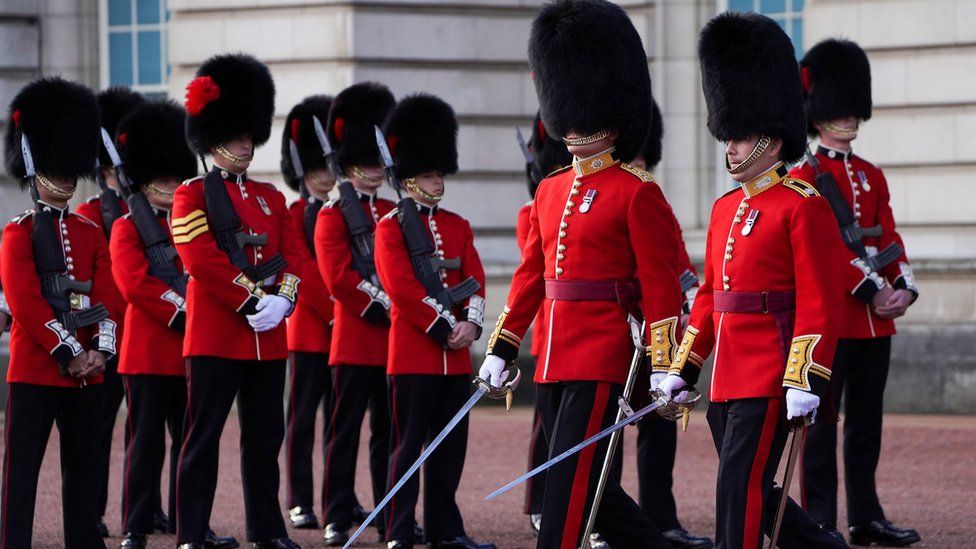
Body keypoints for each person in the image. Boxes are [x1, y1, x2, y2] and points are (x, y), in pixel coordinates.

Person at [479, 1, 683, 546]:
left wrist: (666, 366)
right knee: (576, 478)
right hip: (552, 356)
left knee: (568, 484)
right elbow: (531, 277)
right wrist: (502, 348)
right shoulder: (550, 189)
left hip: (601, 353)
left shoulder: (637, 192)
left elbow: (662, 289)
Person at [657, 12, 849, 549]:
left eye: (740, 138)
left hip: (772, 366)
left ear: (769, 139)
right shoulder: (723, 209)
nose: (731, 147)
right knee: (750, 485)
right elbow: (712, 300)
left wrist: (805, 377)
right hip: (727, 374)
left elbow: (820, 300)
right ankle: (818, 544)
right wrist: (684, 367)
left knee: (737, 486)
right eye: (729, 137)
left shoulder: (802, 205)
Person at [790, 38, 921, 547]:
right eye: (839, 110)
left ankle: (865, 515)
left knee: (866, 425)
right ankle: (821, 520)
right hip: (835, 319)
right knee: (822, 424)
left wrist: (903, 288)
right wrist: (870, 290)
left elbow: (887, 235)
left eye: (852, 110)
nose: (849, 119)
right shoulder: (805, 176)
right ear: (819, 113)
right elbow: (824, 249)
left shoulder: (871, 175)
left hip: (877, 320)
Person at [173, 53, 303, 549]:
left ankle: (267, 532)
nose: (245, 144)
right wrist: (252, 302)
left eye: (249, 136)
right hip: (217, 335)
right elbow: (201, 259)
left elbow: (294, 258)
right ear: (212, 140)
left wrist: (283, 302)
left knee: (265, 441)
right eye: (235, 136)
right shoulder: (192, 196)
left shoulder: (273, 198)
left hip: (269, 339)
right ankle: (191, 533)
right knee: (202, 440)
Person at [109, 100, 236, 549]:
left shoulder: (192, 221)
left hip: (189, 352)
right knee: (145, 446)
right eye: (160, 179)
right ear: (144, 182)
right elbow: (136, 286)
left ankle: (191, 526)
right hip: (147, 353)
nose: (169, 186)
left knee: (192, 444)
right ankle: (136, 526)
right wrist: (185, 312)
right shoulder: (127, 228)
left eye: (171, 177)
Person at [1, 76, 116, 549]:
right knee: (21, 472)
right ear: (37, 168)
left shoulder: (90, 232)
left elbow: (107, 296)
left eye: (71, 168)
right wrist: (68, 350)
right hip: (36, 369)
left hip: (87, 372)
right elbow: (26, 302)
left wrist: (100, 352)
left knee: (84, 474)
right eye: (57, 166)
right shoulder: (18, 233)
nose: (67, 178)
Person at [375, 93, 493, 549]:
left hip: (455, 360)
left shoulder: (459, 225)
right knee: (406, 449)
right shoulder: (390, 227)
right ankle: (398, 530)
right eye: (429, 173)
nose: (438, 180)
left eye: (440, 172)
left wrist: (472, 325)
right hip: (414, 355)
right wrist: (446, 326)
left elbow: (476, 278)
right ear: (409, 178)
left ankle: (446, 530)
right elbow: (402, 288)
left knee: (449, 451)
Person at [314, 82, 403, 546]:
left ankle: (390, 514)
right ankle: (336, 512)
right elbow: (338, 277)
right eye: (364, 163)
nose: (372, 170)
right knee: (344, 433)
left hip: (394, 342)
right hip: (356, 336)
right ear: (348, 164)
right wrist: (385, 304)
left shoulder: (394, 211)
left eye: (376, 161)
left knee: (388, 436)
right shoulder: (332, 215)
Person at [631, 100, 713, 549]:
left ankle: (659, 518)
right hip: (622, 334)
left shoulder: (658, 207)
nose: (642, 170)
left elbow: (680, 269)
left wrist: (685, 307)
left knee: (660, 432)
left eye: (647, 163)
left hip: (661, 339)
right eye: (636, 162)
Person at [77, 86, 147, 538]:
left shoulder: (149, 210)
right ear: (105, 170)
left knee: (144, 433)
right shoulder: (87, 213)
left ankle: (148, 509)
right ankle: (92, 509)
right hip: (105, 335)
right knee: (97, 432)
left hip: (143, 335)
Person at [278, 95, 350, 530]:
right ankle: (300, 499)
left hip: (344, 331)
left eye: (330, 168)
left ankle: (339, 497)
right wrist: (337, 309)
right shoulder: (292, 214)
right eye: (319, 169)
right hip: (308, 329)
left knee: (339, 424)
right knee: (302, 420)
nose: (326, 177)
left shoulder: (345, 212)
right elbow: (299, 267)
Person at [516, 112, 571, 537]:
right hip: (549, 332)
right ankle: (538, 499)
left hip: (581, 337)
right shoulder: (532, 209)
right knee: (545, 430)